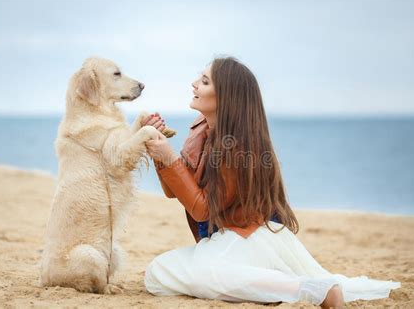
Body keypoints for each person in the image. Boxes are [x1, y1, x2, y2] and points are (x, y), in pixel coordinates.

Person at [141, 57, 400, 307]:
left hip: (249, 238)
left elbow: (203, 209)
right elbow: (173, 192)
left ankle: (313, 291)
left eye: (205, 81)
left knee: (195, 272)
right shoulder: (202, 130)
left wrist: (169, 157)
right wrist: (160, 153)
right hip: (226, 240)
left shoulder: (238, 148)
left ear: (226, 96)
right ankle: (287, 285)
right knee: (158, 273)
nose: (194, 84)